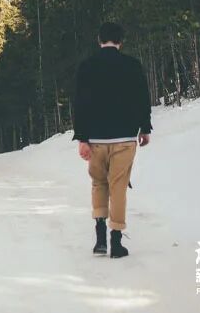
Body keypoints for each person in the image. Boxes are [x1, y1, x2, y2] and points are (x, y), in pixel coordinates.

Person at [72, 22, 152, 258]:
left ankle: (100, 239)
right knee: (118, 187)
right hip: (125, 137)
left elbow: (79, 104)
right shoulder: (132, 65)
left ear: (99, 40)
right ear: (120, 41)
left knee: (99, 183)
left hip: (95, 138)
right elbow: (142, 98)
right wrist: (144, 128)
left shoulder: (87, 66)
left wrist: (82, 138)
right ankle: (116, 242)